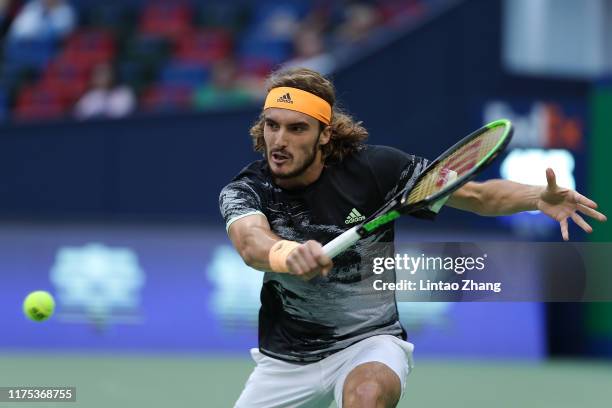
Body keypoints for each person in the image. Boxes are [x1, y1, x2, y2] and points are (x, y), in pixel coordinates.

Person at [218, 67, 606, 408]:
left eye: (296, 127)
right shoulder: (247, 189)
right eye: (273, 125)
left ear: (324, 134)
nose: (280, 140)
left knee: (366, 396)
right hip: (285, 361)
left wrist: (537, 197)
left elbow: (479, 195)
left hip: (367, 344)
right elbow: (252, 243)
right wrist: (289, 255)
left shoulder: (378, 170)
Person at [9, 0, 75, 41]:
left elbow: (59, 36)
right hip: (25, 44)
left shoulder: (66, 12)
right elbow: (18, 31)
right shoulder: (33, 6)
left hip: (48, 51)